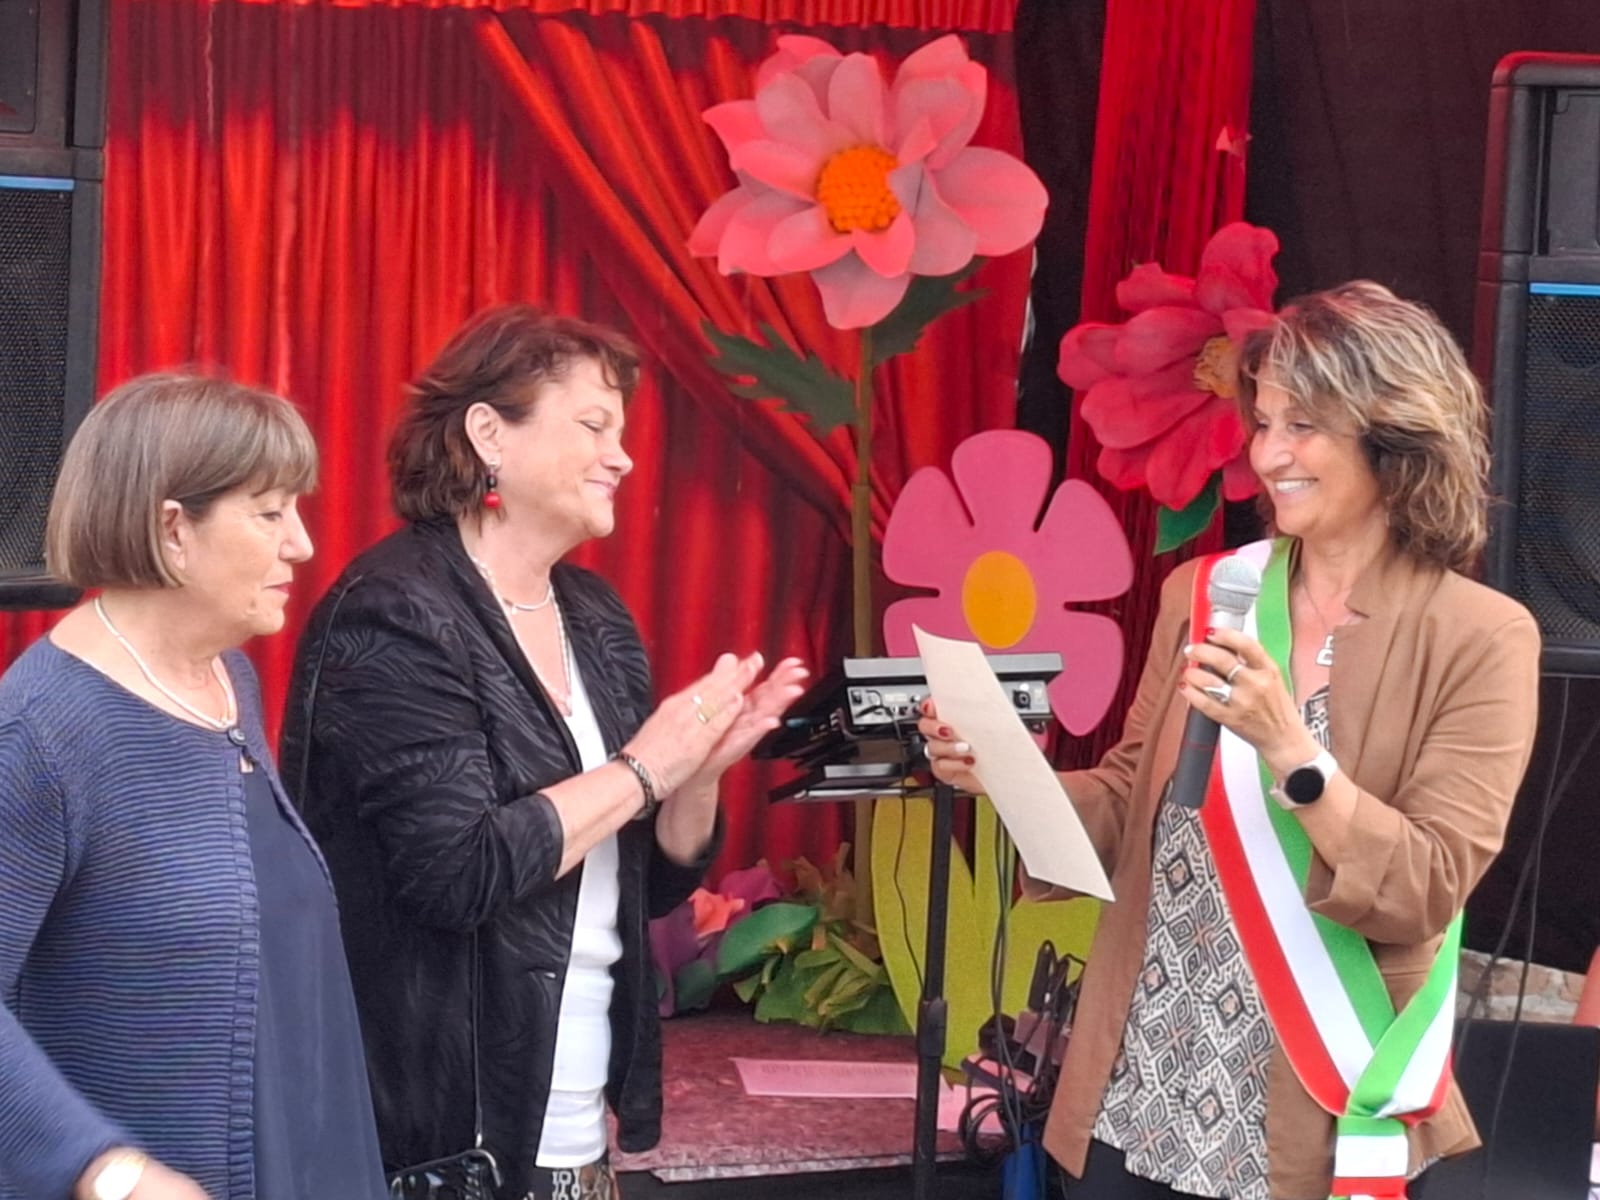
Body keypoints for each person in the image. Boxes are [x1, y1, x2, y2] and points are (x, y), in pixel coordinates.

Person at [921, 281, 1542, 1200]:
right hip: (1141, 1082)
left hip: (1308, 1096)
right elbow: (1131, 800)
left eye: (1305, 426)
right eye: (1265, 423)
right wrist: (1004, 776)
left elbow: (1428, 883)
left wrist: (1293, 752)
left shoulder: (1481, 635)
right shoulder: (1206, 592)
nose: (1269, 454)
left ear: (1394, 437)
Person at [282, 304, 807, 1200]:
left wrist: (696, 776)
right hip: (438, 1136)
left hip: (576, 1128)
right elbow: (454, 873)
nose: (623, 457)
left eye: (621, 433)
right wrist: (643, 769)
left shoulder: (597, 619)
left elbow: (649, 883)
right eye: (594, 425)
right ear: (490, 434)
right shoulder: (395, 611)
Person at [0, 374, 387, 1200]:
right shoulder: (40, 731)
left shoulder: (227, 681)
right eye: (270, 513)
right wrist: (109, 1172)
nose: (302, 544)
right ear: (174, 529)